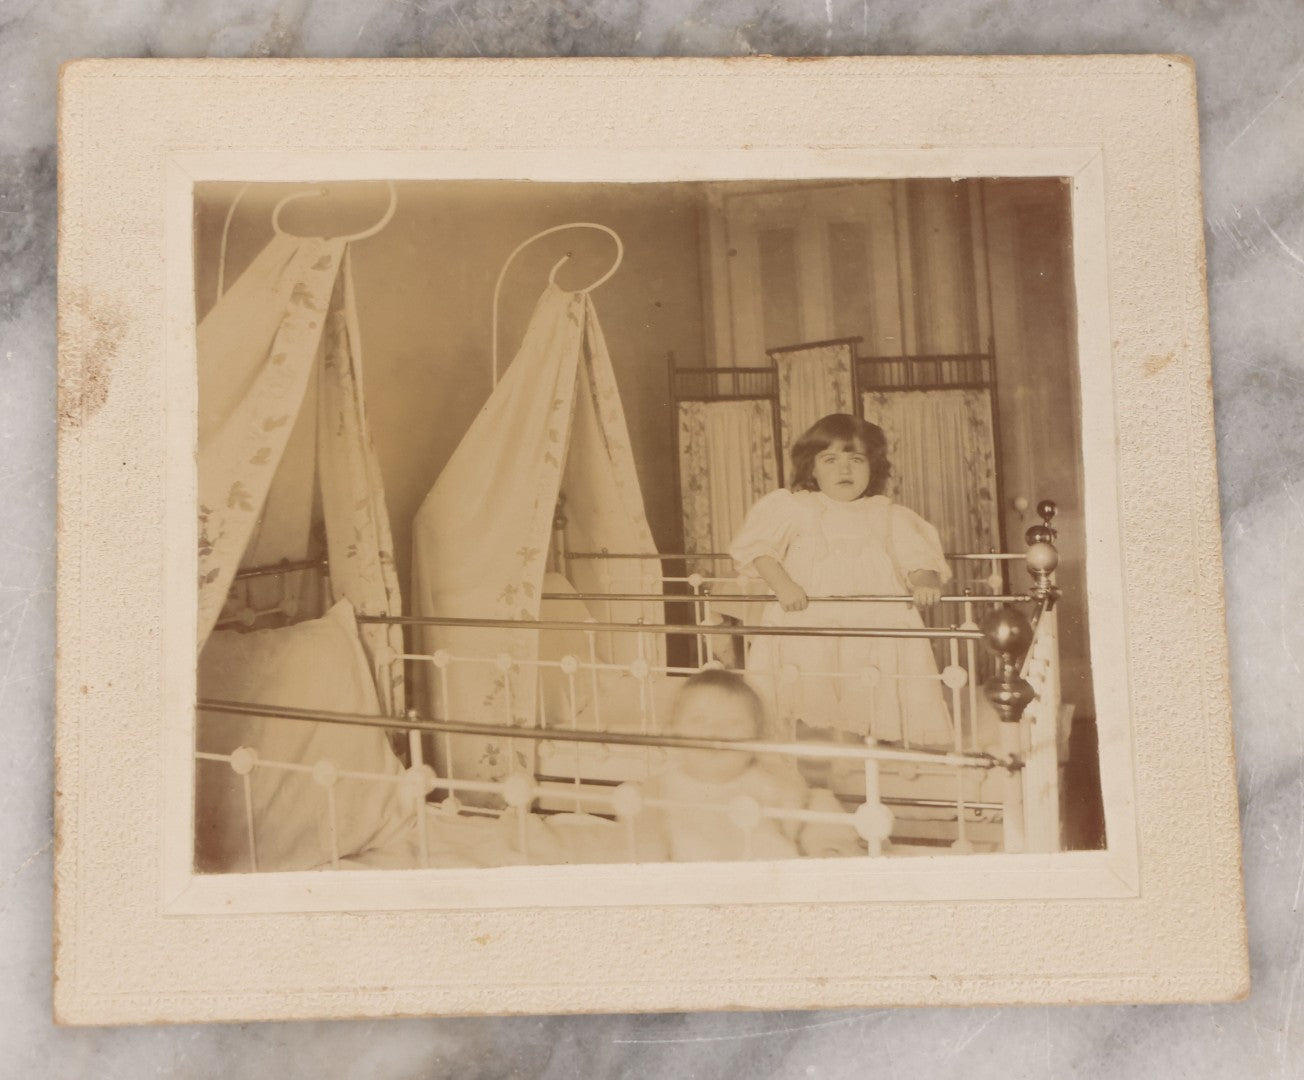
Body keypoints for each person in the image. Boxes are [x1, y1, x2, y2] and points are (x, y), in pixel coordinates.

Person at [728, 413, 953, 747]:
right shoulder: (796, 508)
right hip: (807, 617)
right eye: (830, 460)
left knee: (870, 683)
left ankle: (877, 745)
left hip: (873, 622)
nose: (843, 470)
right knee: (810, 683)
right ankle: (809, 749)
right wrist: (783, 585)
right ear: (812, 469)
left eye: (856, 460)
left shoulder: (886, 514)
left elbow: (918, 560)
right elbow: (760, 550)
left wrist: (925, 582)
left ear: (873, 468)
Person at [627, 669, 862, 862]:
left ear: (757, 738)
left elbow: (818, 812)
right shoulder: (657, 792)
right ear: (672, 732)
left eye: (734, 723)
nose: (715, 732)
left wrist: (828, 847)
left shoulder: (774, 782)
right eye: (699, 720)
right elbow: (640, 847)